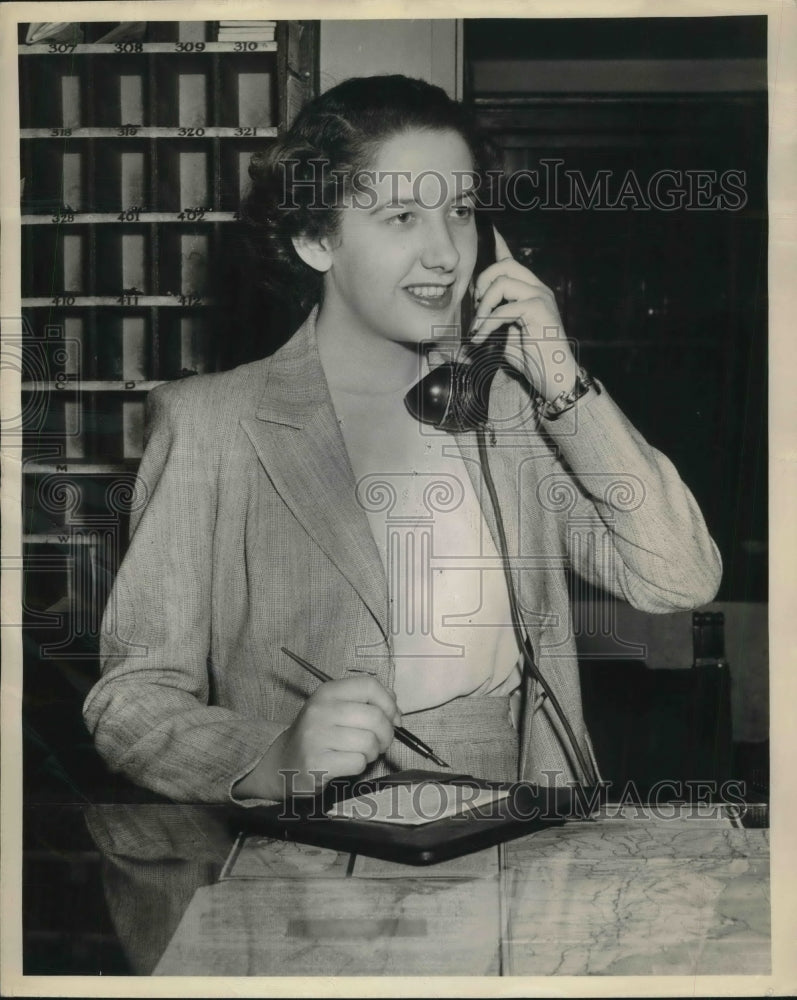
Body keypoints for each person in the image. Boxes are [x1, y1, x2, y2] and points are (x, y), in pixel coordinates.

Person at [83, 75, 722, 804]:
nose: (446, 253)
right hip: (315, 849)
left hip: (523, 823)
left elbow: (677, 575)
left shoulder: (507, 408)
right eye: (400, 217)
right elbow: (130, 702)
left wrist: (560, 379)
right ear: (315, 238)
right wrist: (269, 757)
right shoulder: (211, 424)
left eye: (459, 211)